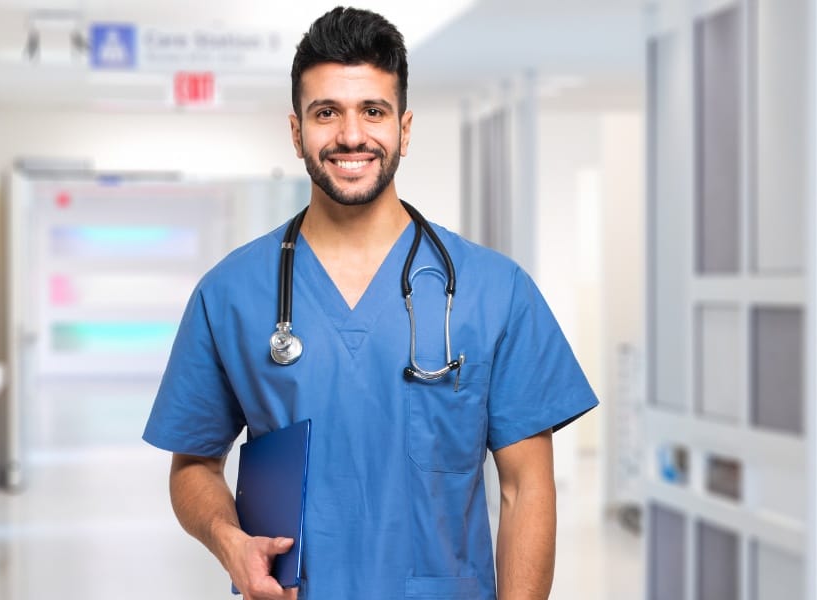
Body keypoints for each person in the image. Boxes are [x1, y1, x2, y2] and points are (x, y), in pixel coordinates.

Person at [143, 6, 598, 599]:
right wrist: (230, 541)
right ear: (296, 129)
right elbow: (193, 466)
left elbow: (526, 488)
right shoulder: (230, 293)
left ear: (405, 129)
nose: (351, 135)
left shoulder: (495, 291)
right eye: (326, 112)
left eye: (373, 111)